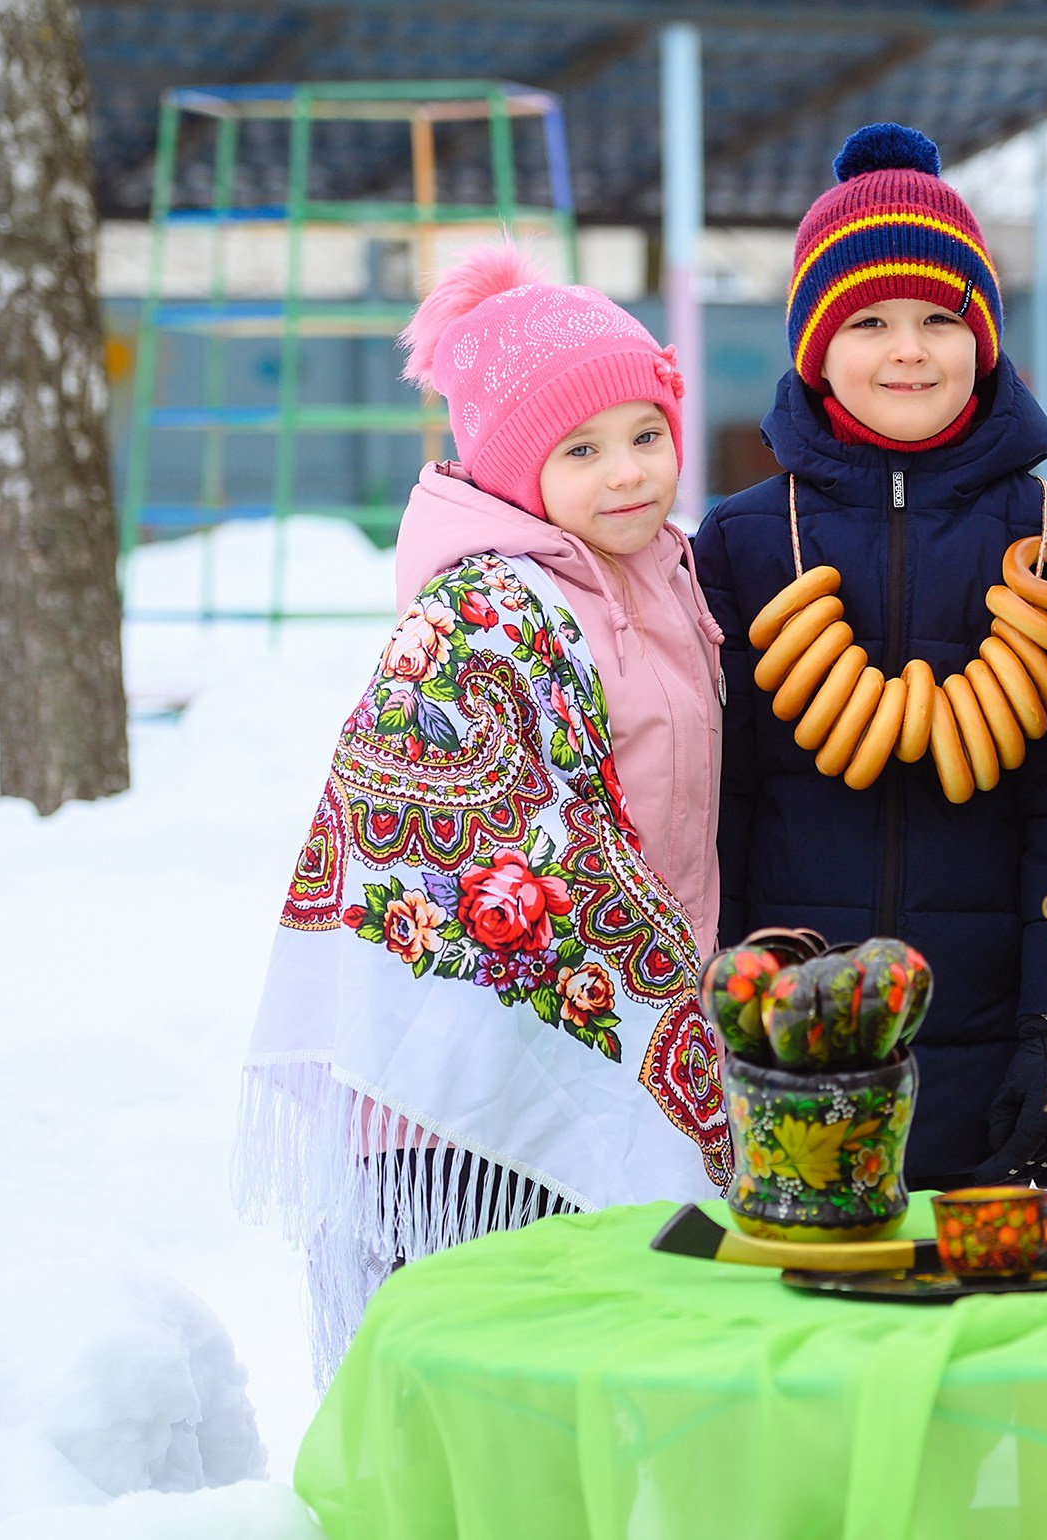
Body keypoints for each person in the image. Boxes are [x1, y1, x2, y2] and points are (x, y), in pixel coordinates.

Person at [236, 246, 729, 1376]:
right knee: (499, 1375)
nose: (627, 474)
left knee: (612, 1369)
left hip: (637, 1053)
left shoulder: (675, 576)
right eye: (582, 449)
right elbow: (492, 855)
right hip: (467, 1110)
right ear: (512, 468)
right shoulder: (485, 618)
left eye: (645, 434)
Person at [695, 124, 1047, 1191]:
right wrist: (728, 1005)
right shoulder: (745, 543)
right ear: (814, 345)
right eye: (871, 321)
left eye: (940, 318)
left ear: (982, 337)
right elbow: (723, 803)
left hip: (992, 1028)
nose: (909, 348)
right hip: (789, 1043)